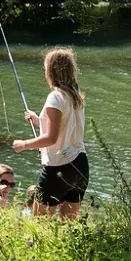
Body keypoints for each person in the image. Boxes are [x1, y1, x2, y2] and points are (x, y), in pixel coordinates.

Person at [13, 46, 89, 220]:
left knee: (39, 222)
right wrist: (38, 120)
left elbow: (51, 138)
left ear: (51, 71)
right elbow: (66, 127)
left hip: (59, 167)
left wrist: (24, 144)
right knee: (68, 223)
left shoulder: (55, 97)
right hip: (80, 165)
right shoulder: (75, 94)